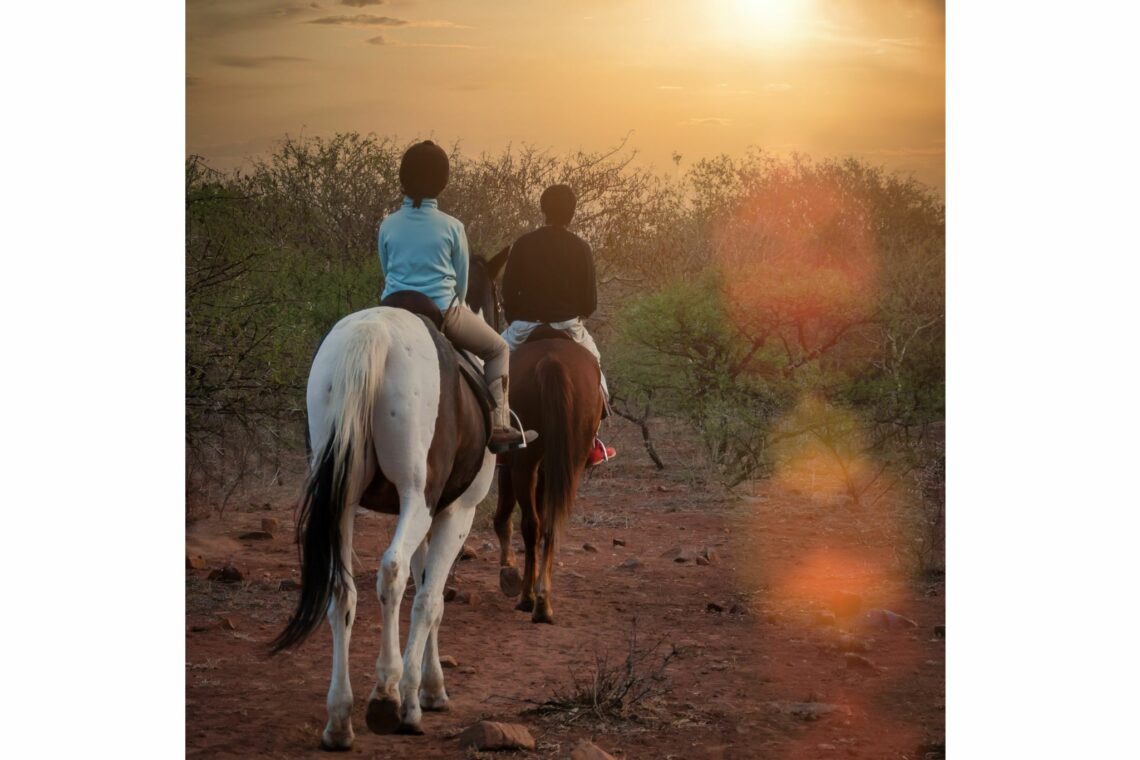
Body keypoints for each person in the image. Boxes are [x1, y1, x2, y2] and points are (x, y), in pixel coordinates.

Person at [378, 140, 534, 454]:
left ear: (404, 178)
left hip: (392, 311)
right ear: (442, 181)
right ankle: (500, 424)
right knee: (498, 348)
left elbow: (386, 269)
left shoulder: (387, 224)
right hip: (441, 312)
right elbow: (461, 285)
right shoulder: (452, 227)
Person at [500, 184, 617, 466]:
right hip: (568, 325)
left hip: (524, 326)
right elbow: (589, 302)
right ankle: (592, 441)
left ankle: (495, 432)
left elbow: (508, 292)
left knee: (488, 366)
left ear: (543, 209)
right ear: (572, 213)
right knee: (596, 369)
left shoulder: (523, 244)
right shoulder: (581, 247)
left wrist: (517, 318)